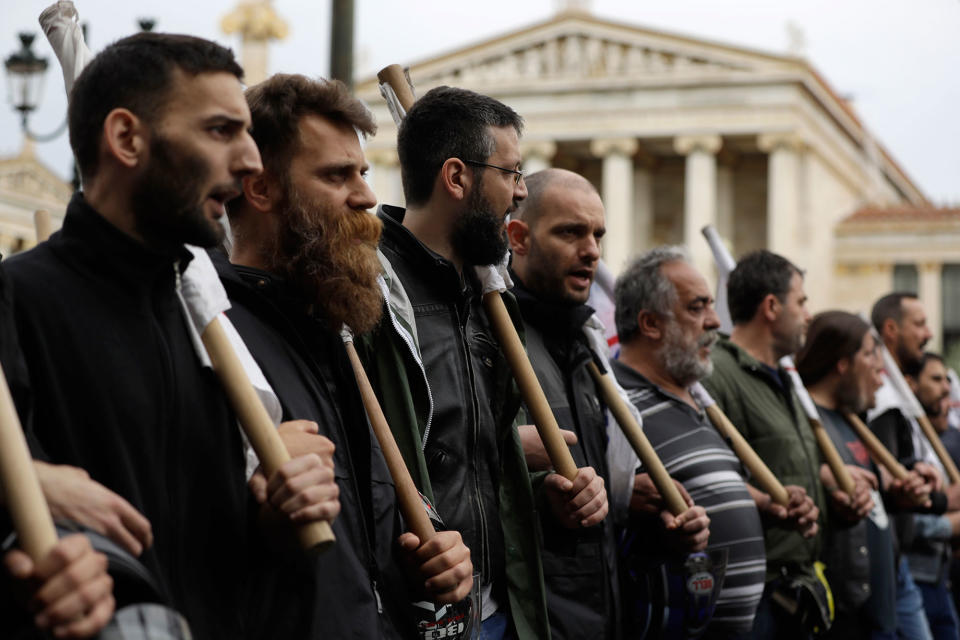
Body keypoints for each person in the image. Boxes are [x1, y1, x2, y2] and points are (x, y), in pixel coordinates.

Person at [4, 33, 338, 639]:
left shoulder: (205, 316)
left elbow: (217, 556)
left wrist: (272, 510)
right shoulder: (18, 300)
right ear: (127, 138)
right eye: (219, 131)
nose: (252, 161)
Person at [221, 72, 473, 638]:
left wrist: (429, 565)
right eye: (337, 176)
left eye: (362, 171)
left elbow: (362, 548)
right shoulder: (213, 333)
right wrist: (252, 506)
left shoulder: (337, 336)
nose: (365, 197)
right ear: (260, 188)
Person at [358, 86, 606, 640]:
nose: (521, 193)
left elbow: (480, 461)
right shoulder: (368, 294)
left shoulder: (491, 303)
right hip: (413, 614)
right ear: (456, 178)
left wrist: (542, 488)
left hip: (497, 609)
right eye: (512, 173)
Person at [506, 172, 707, 638]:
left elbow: (599, 493)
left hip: (604, 614)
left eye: (597, 234)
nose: (592, 250)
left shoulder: (588, 346)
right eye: (570, 232)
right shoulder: (489, 334)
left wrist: (640, 504)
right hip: (535, 619)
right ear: (519, 238)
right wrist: (536, 486)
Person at [609, 246, 767, 638]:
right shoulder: (613, 404)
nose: (715, 321)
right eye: (697, 308)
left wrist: (769, 505)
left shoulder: (697, 396)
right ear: (650, 323)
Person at [700, 250, 824, 640]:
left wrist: (830, 483)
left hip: (796, 587)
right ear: (771, 306)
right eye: (801, 301)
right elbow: (709, 476)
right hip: (755, 594)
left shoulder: (787, 380)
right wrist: (769, 502)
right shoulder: (716, 375)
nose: (808, 315)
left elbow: (782, 461)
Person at [796, 311, 933, 639]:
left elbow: (871, 491)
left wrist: (900, 489)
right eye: (871, 353)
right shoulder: (804, 423)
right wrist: (828, 483)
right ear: (843, 363)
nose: (879, 369)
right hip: (844, 611)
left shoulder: (851, 419)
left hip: (880, 603)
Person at [871, 294, 957, 640]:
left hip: (904, 563)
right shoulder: (881, 402)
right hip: (890, 563)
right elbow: (887, 486)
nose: (929, 333)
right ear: (891, 329)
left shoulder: (898, 401)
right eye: (919, 324)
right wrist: (942, 502)